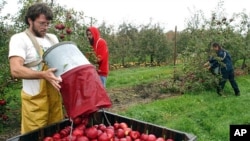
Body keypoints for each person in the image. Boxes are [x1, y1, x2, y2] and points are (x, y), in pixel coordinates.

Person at [8, 3, 64, 134]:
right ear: (30, 20)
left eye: (48, 23)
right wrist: (43, 75)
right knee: (35, 136)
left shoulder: (53, 39)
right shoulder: (19, 39)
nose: (46, 27)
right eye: (42, 23)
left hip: (54, 99)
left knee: (56, 134)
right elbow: (15, 69)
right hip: (35, 101)